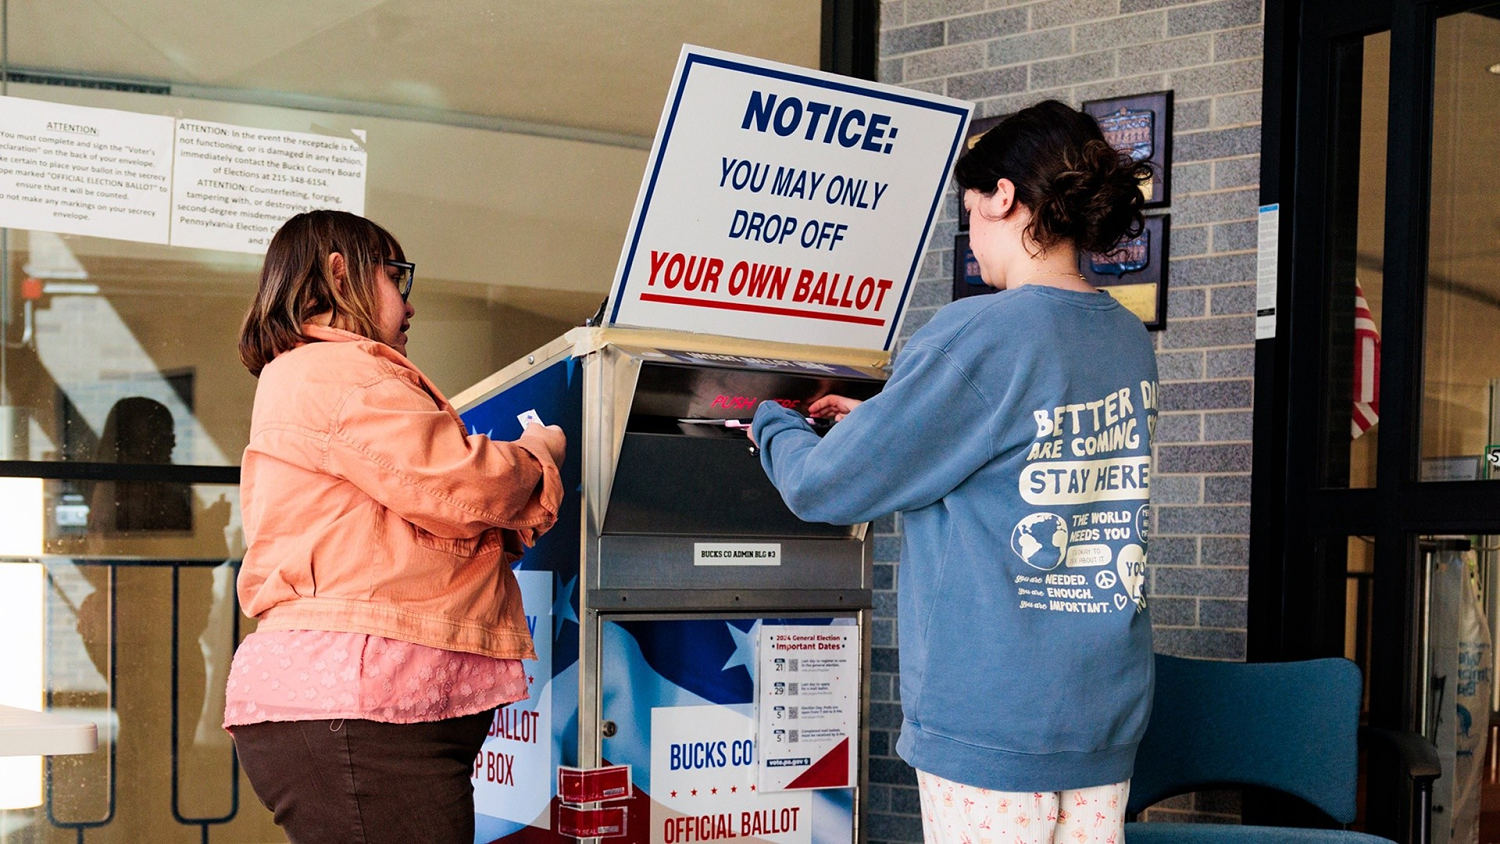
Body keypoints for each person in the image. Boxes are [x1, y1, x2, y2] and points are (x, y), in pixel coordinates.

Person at [750, 100, 1159, 844]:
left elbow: (824, 486)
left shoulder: (979, 329)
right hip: (1101, 711)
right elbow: (1012, 444)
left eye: (970, 212)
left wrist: (771, 420)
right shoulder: (1126, 338)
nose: (972, 241)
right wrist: (880, 417)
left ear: (1003, 196)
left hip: (992, 714)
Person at [223, 209, 565, 843]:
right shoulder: (338, 372)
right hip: (359, 711)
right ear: (338, 272)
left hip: (349, 710)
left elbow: (426, 524)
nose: (409, 307)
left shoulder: (307, 379)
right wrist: (540, 457)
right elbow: (463, 483)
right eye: (396, 277)